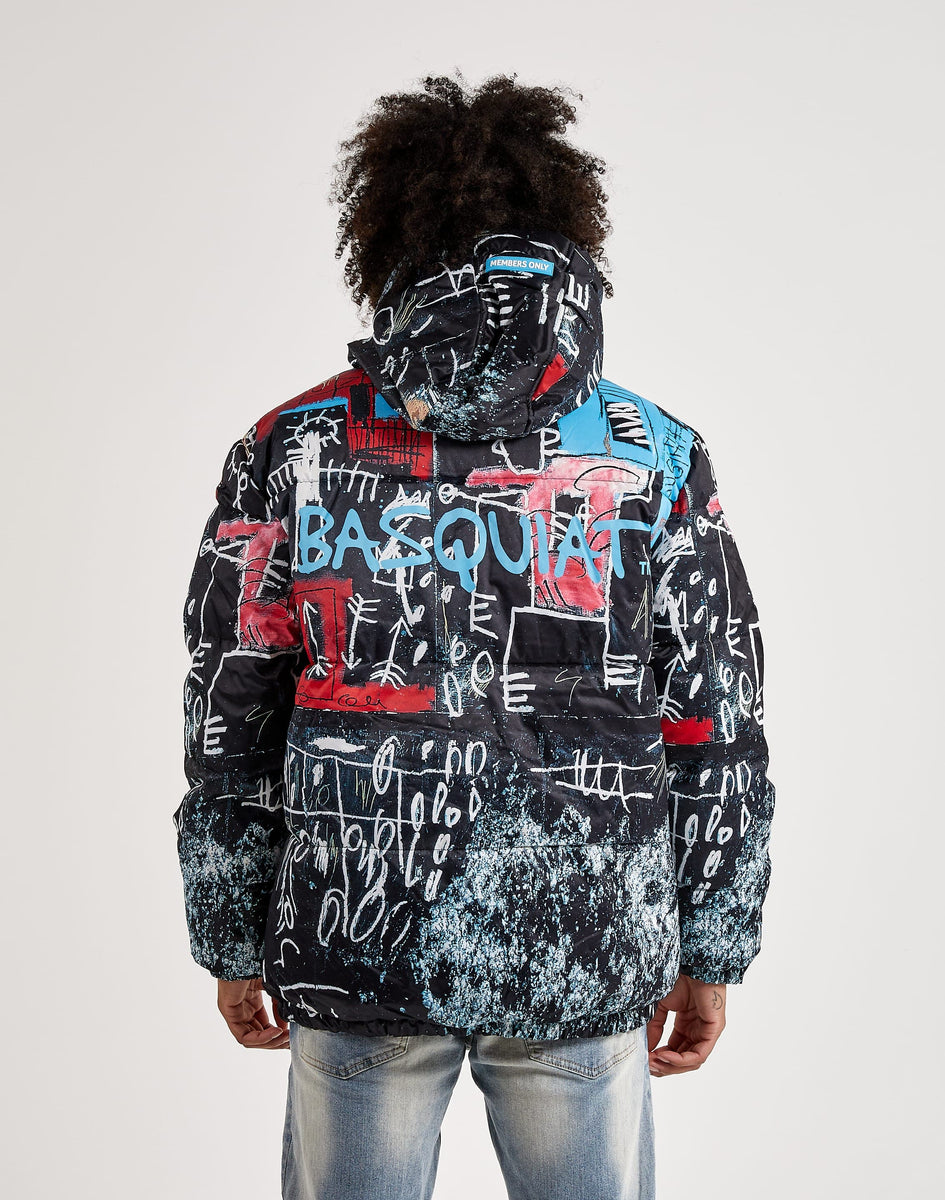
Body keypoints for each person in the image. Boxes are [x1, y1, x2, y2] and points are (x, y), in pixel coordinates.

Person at [174, 71, 776, 1200]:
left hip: (357, 931)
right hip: (585, 934)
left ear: (388, 241)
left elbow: (231, 702)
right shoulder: (654, 451)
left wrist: (231, 925)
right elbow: (714, 709)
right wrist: (712, 941)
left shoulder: (288, 446)